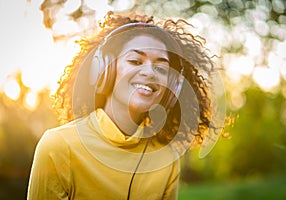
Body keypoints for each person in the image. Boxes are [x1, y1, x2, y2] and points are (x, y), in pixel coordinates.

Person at [27, 11, 220, 200]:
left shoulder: (166, 160)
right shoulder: (58, 146)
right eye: (135, 61)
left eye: (161, 68)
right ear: (105, 70)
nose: (150, 72)